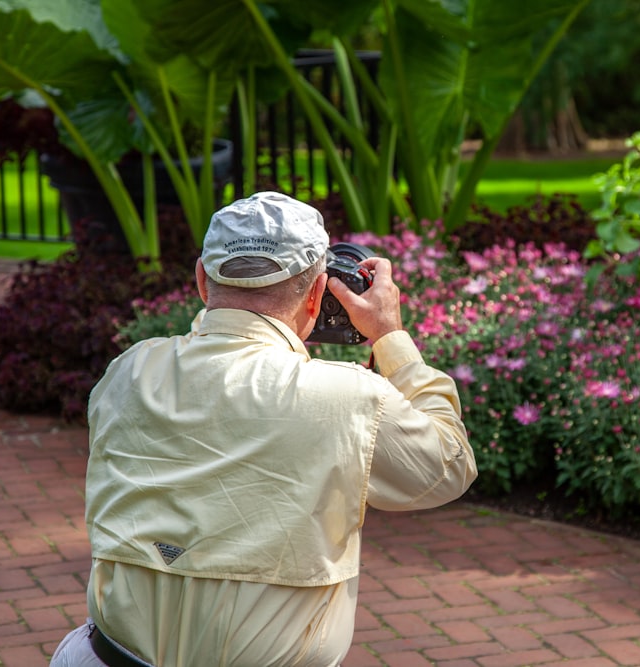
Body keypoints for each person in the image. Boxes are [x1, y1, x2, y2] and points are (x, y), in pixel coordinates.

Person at [50, 191, 477, 666]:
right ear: (319, 292)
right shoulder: (347, 397)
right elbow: (448, 467)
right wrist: (390, 336)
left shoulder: (128, 371)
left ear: (201, 282)